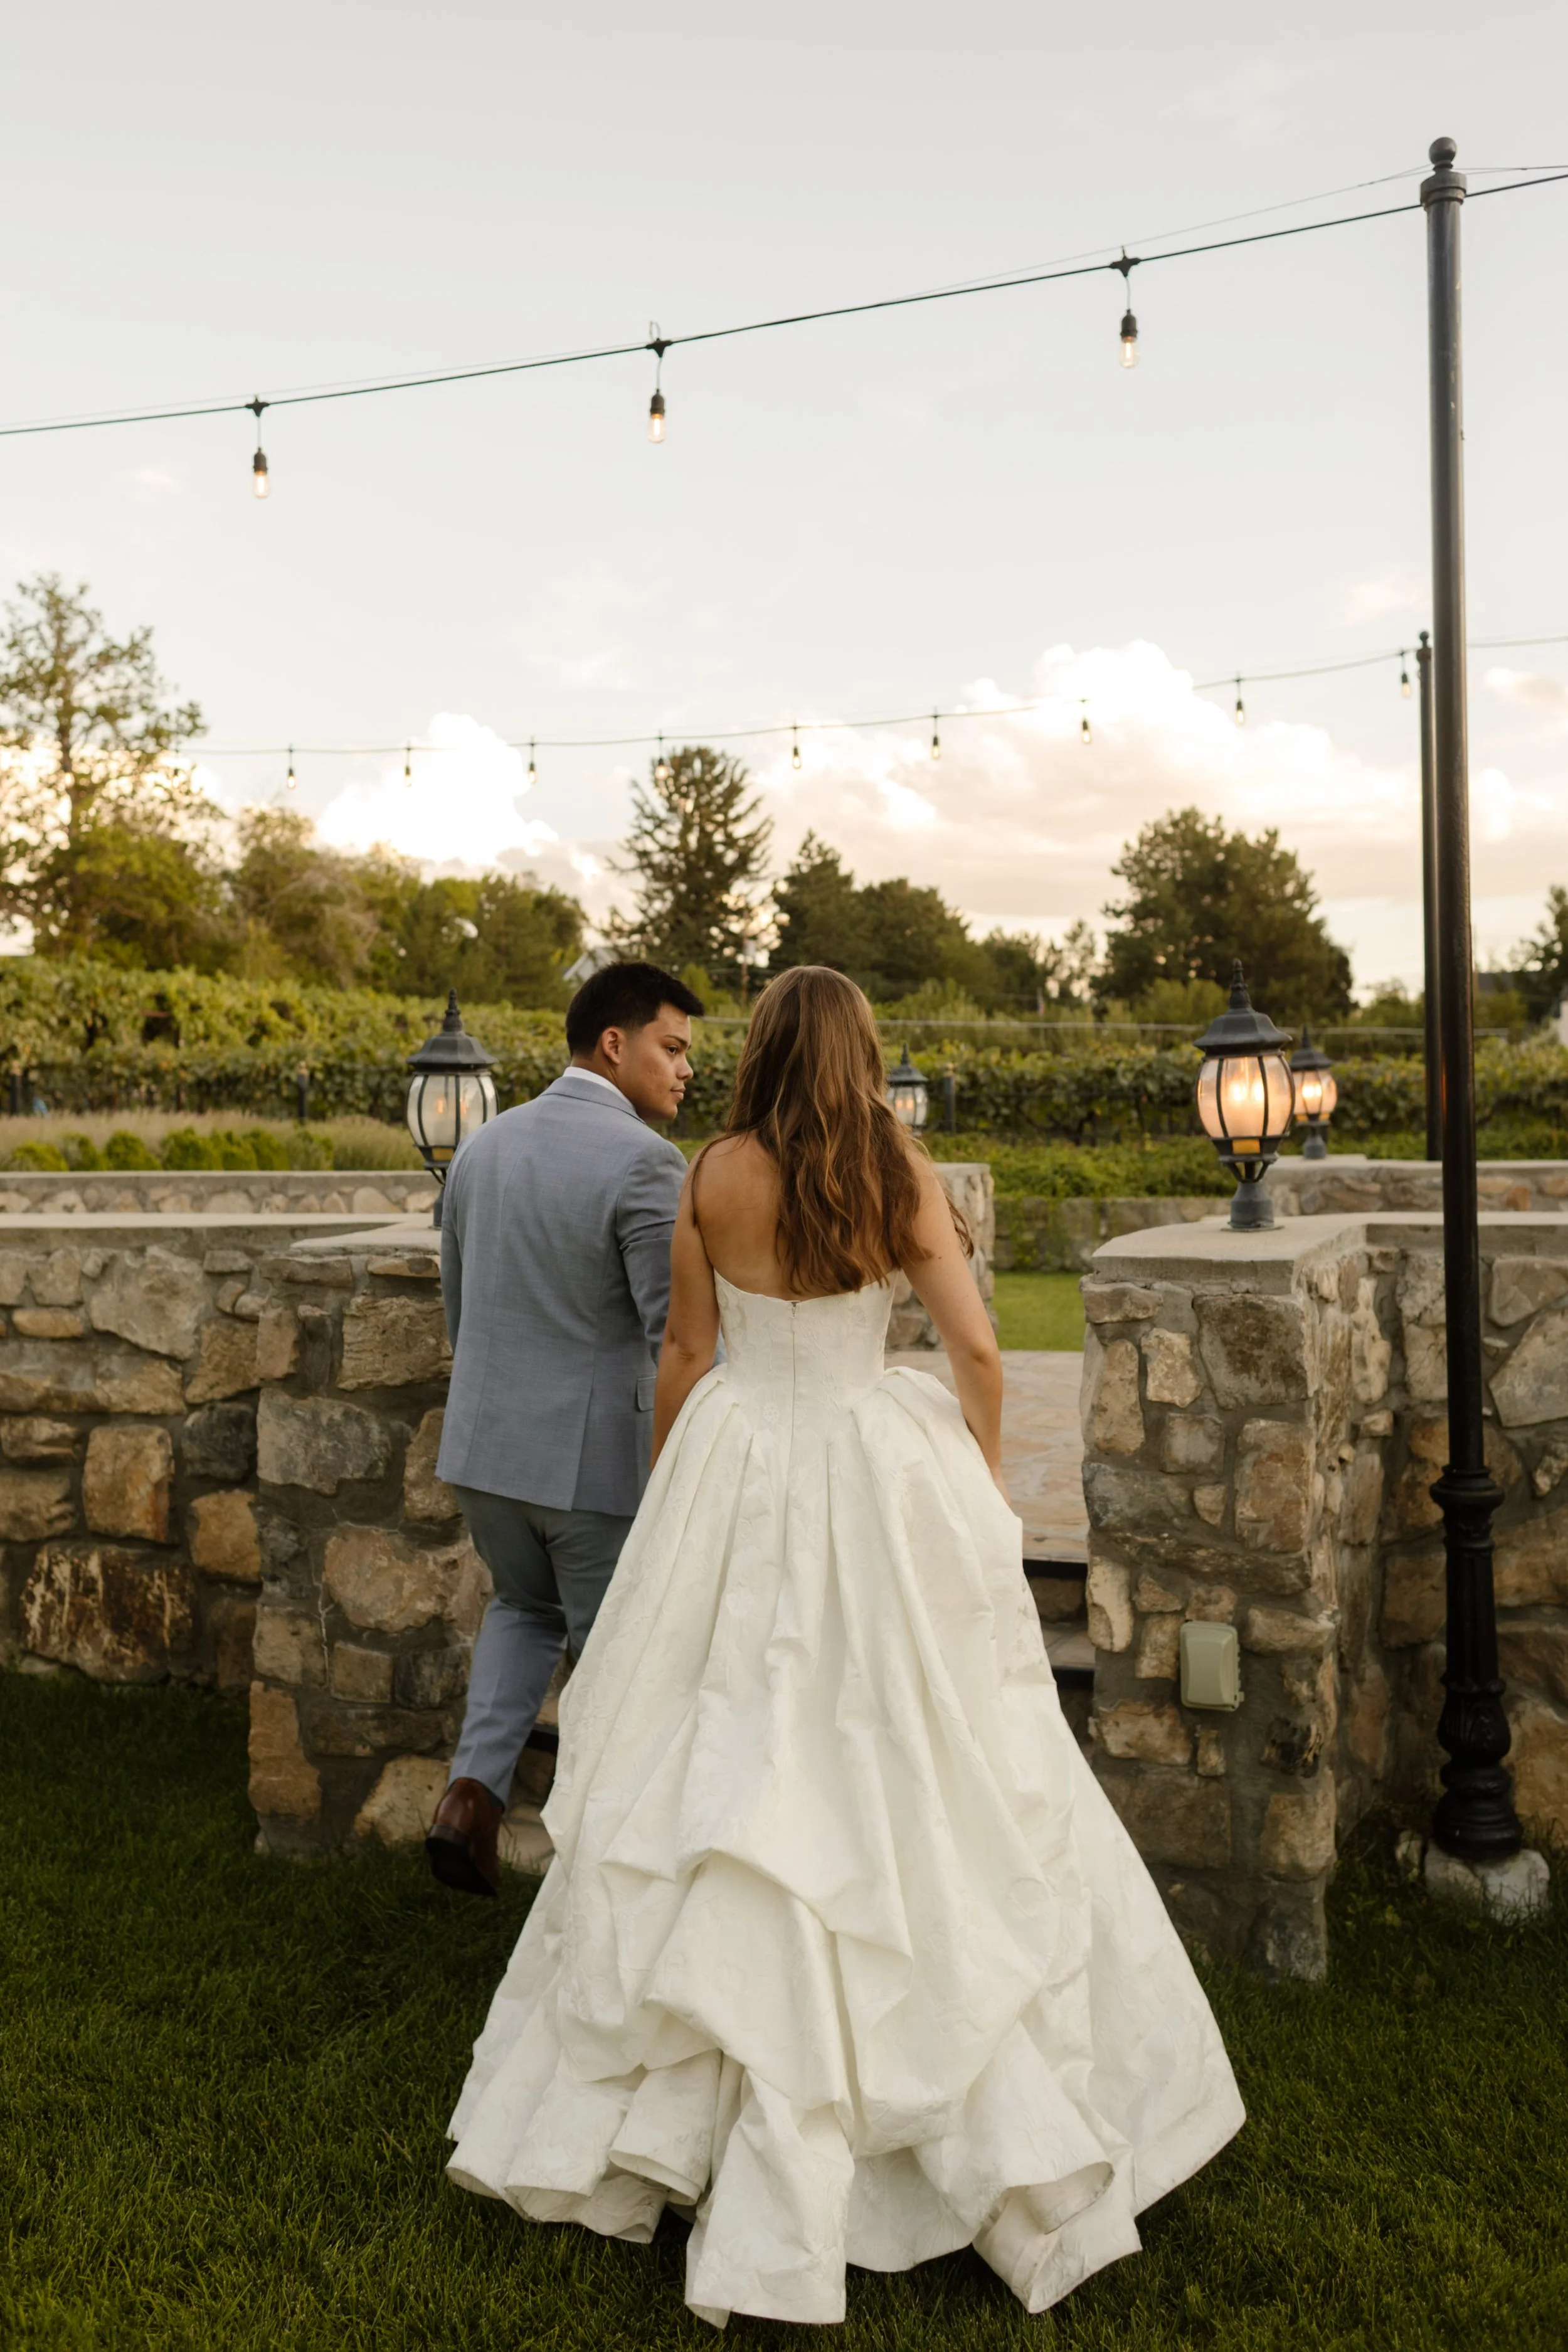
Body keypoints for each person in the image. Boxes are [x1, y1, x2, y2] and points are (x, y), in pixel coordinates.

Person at [446, 966, 1244, 2326]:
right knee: (915, 1754)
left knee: (729, 1748)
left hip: (739, 1460)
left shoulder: (711, 1170)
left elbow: (684, 1357)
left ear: (757, 1052)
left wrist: (671, 1497)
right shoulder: (895, 1168)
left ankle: (683, 2116)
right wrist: (981, 1492)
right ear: (861, 1053)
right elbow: (978, 1354)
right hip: (878, 1469)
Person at [424, 960, 704, 1899]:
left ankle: (469, 1798)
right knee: (617, 1660)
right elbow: (675, 1336)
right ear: (614, 1044)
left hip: (486, 1450)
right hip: (592, 1467)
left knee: (520, 1608)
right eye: (672, 1048)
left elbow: (461, 1313)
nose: (685, 1070)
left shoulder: (482, 1147)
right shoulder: (645, 1163)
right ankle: (604, 1874)